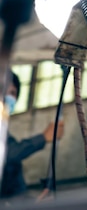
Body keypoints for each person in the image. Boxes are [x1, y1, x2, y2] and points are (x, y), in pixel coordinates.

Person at [1, 71, 65, 200]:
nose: (8, 98)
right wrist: (43, 137)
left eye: (12, 93)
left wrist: (33, 202)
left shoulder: (5, 133)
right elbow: (7, 154)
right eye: (3, 92)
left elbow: (14, 189)